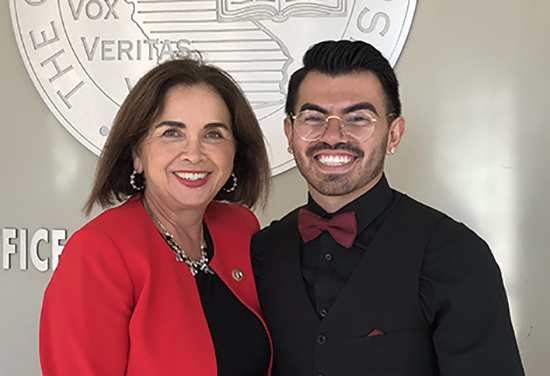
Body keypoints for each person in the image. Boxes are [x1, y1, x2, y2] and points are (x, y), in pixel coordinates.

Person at [251, 40, 524, 376]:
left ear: (393, 134)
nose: (333, 135)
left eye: (358, 118)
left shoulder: (455, 255)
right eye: (313, 117)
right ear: (290, 134)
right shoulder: (261, 251)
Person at [40, 57, 272, 376]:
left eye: (214, 134)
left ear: (235, 151)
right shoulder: (98, 252)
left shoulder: (241, 228)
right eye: (171, 133)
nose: (194, 154)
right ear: (137, 153)